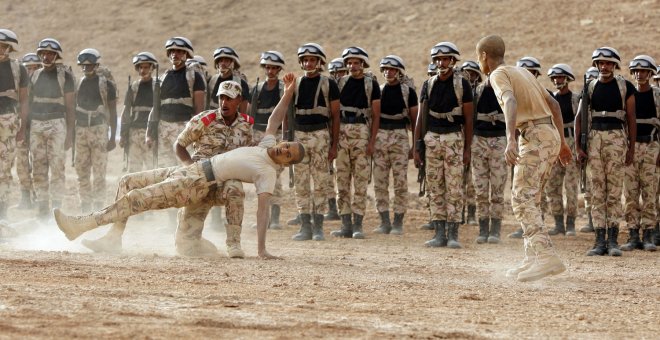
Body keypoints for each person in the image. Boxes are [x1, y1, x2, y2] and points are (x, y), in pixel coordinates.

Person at [54, 73, 305, 259]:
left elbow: (262, 211)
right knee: (130, 183)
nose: (224, 102)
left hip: (202, 181)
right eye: (221, 97)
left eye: (287, 153)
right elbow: (275, 119)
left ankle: (81, 225)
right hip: (191, 170)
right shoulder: (264, 143)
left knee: (138, 198)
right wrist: (289, 91)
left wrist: (261, 249)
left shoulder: (265, 167)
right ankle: (113, 239)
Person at [476, 35, 569, 282]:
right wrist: (561, 143)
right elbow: (555, 105)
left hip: (534, 136)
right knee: (532, 198)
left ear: (484, 56)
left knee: (520, 198)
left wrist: (509, 139)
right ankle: (533, 259)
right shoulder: (524, 72)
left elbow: (509, 100)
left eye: (479, 58)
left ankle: (547, 256)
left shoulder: (497, 74)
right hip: (548, 134)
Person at [575, 47, 636, 257]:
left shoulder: (624, 86)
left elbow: (631, 119)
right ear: (595, 65)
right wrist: (578, 147)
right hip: (595, 139)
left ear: (615, 65)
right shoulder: (590, 87)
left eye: (608, 63)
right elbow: (579, 118)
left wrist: (631, 148)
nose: (604, 66)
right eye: (600, 63)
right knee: (597, 190)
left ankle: (613, 240)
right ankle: (599, 240)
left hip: (617, 139)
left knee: (614, 190)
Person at [415, 42, 473, 249]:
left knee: (455, 187)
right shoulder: (428, 84)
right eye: (437, 59)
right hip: (432, 139)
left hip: (454, 140)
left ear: (453, 60)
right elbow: (421, 117)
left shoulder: (462, 84)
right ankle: (439, 233)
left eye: (445, 59)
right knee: (435, 187)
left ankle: (453, 234)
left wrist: (467, 149)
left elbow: (468, 119)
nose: (441, 63)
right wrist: (417, 146)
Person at [146, 37, 206, 228]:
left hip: (184, 129)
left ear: (187, 54)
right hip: (164, 129)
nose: (175, 54)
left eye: (179, 51)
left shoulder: (194, 76)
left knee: (186, 172)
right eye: (171, 51)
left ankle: (187, 219)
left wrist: (197, 133)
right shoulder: (162, 78)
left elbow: (199, 108)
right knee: (167, 174)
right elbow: (155, 108)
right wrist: (150, 132)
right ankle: (172, 221)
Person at [289, 43, 340, 241]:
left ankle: (318, 227)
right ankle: (305, 227)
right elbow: (289, 115)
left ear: (320, 62)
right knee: (300, 184)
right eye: (305, 60)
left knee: (320, 182)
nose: (309, 63)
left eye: (312, 59)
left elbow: (335, 116)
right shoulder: (295, 84)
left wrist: (334, 145)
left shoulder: (329, 84)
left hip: (320, 136)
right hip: (299, 137)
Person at [331, 46, 380, 239]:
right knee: (341, 180)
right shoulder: (340, 83)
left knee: (360, 180)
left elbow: (376, 115)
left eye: (356, 63)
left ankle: (358, 224)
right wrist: (333, 142)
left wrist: (372, 142)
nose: (352, 66)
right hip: (342, 130)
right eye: (349, 63)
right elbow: (333, 114)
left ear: (363, 64)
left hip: (361, 131)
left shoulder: (371, 85)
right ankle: (345, 224)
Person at [29, 38, 76, 220]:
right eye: (43, 53)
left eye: (50, 54)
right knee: (38, 168)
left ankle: (56, 210)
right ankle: (42, 210)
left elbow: (71, 107)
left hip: (57, 124)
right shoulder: (34, 75)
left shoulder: (66, 76)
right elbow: (29, 102)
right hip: (36, 125)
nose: (46, 57)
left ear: (56, 56)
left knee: (57, 168)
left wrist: (70, 133)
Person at [372, 55, 417, 235]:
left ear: (399, 72)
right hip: (381, 136)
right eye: (385, 69)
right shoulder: (379, 90)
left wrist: (415, 146)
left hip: (400, 136)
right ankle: (384, 221)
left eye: (392, 69)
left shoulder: (408, 92)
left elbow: (415, 120)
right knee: (379, 181)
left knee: (400, 182)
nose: (388, 73)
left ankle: (398, 221)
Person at [620, 55, 658, 252]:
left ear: (651, 73)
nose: (639, 74)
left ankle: (649, 234)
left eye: (643, 71)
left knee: (649, 192)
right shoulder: (628, 93)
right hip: (631, 148)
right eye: (636, 71)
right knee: (630, 192)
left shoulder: (657, 95)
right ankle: (633, 234)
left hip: (652, 147)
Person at [73, 48, 117, 212]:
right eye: (83, 66)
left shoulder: (106, 85)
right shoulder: (78, 83)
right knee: (81, 170)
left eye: (89, 65)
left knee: (99, 172)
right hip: (81, 130)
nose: (86, 68)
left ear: (96, 65)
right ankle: (85, 206)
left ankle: (98, 207)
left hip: (99, 129)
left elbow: (112, 112)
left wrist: (112, 137)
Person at [249, 51, 286, 229]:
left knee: (276, 175)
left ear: (279, 69)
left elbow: (285, 113)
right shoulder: (256, 88)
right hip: (259, 134)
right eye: (268, 67)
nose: (270, 71)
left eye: (274, 68)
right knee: (260, 175)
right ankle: (263, 217)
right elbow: (251, 113)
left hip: (276, 135)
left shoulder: (281, 89)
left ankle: (276, 218)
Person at [470, 65, 507, 244]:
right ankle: (483, 229)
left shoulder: (506, 91)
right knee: (480, 190)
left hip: (499, 141)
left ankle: (495, 231)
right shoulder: (476, 91)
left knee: (498, 190)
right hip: (479, 141)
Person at [544, 64, 580, 236]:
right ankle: (558, 223)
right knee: (553, 184)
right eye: (555, 78)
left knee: (571, 185)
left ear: (567, 79)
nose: (557, 80)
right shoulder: (551, 99)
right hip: (555, 141)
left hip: (572, 140)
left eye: (560, 77)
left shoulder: (576, 99)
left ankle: (571, 223)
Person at [0, 29, 29, 219]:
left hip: (9, 122)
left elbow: (24, 100)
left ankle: (1, 214)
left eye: (3, 46)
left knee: (4, 169)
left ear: (10, 48)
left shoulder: (19, 69)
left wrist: (22, 127)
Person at [120, 52, 157, 173]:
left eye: (146, 67)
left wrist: (154, 133)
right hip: (134, 132)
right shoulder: (133, 87)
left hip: (150, 134)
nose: (143, 70)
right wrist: (123, 134)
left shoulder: (157, 87)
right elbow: (126, 111)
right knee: (133, 170)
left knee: (151, 169)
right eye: (140, 67)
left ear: (152, 68)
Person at [13, 53, 41, 210]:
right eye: (28, 68)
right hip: (22, 126)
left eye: (35, 68)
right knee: (22, 163)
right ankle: (25, 197)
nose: (31, 72)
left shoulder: (44, 84)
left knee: (38, 162)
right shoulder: (18, 84)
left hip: (38, 126)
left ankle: (39, 196)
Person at [460, 60, 482, 226]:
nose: (469, 76)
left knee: (473, 179)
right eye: (466, 73)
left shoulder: (481, 93)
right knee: (459, 177)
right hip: (458, 137)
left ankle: (472, 214)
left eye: (473, 74)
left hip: (477, 138)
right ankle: (459, 213)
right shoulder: (458, 91)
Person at [579, 66, 600, 233]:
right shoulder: (583, 98)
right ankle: (591, 220)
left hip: (601, 142)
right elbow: (579, 120)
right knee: (587, 185)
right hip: (589, 143)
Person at [207, 47, 249, 113]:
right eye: (220, 61)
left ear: (233, 63)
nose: (223, 63)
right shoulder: (211, 81)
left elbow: (243, 112)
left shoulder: (241, 83)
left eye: (226, 61)